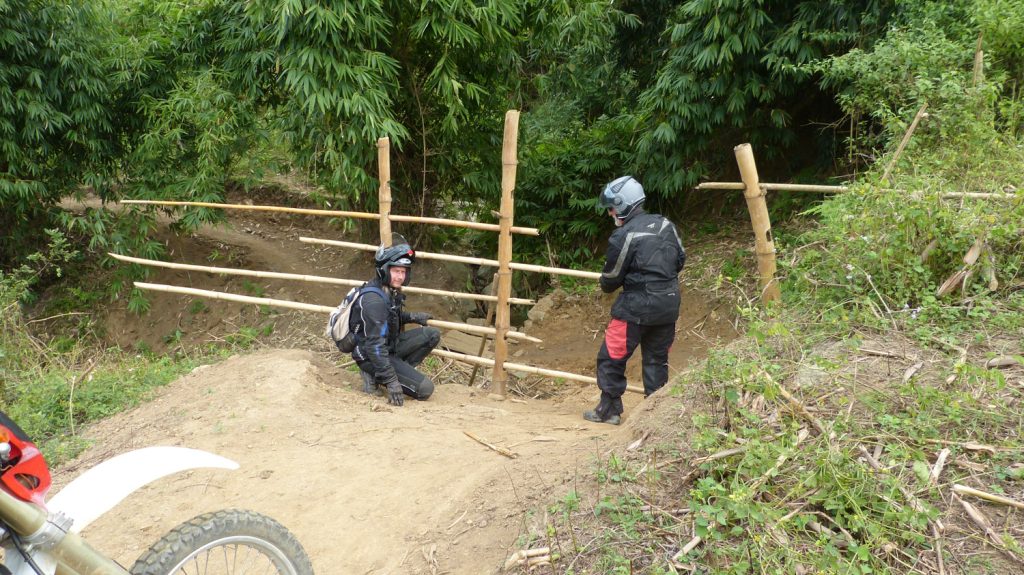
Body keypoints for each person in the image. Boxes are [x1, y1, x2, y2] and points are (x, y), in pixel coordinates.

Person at [584, 176, 686, 425]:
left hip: (636, 307)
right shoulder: (665, 225)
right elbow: (680, 259)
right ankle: (655, 416)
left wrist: (618, 282)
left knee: (611, 357)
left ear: (622, 205)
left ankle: (609, 410)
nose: (610, 213)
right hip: (669, 305)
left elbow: (610, 279)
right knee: (657, 359)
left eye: (611, 208)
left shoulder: (624, 235)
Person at [348, 234, 441, 406]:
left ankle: (396, 371)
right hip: (371, 354)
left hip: (388, 346)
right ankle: (376, 375)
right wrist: (391, 382)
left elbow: (390, 317)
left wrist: (412, 317)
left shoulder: (387, 290)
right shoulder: (373, 300)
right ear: (384, 269)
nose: (399, 277)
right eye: (395, 271)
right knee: (425, 390)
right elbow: (374, 345)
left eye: (403, 272)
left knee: (432, 334)